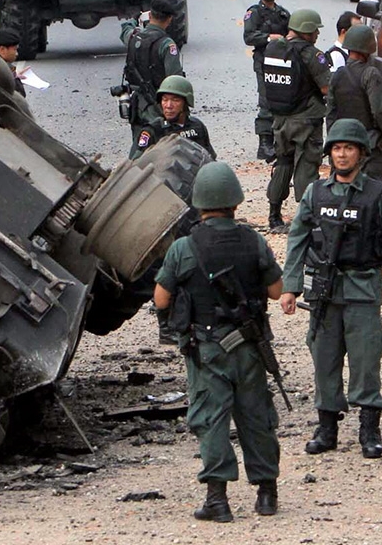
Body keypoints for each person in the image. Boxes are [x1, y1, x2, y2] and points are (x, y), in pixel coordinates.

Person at [153, 162, 285, 522]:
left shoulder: (184, 248)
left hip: (207, 349)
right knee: (256, 416)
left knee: (211, 418)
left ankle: (218, 499)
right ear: (236, 203)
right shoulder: (254, 241)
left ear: (199, 204)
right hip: (249, 345)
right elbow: (276, 291)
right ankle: (266, 494)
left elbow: (161, 299)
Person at [281, 119, 382, 460]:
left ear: (361, 154)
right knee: (323, 356)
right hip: (324, 291)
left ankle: (370, 426)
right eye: (337, 148)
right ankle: (327, 425)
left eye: (348, 148)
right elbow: (297, 239)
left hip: (363, 288)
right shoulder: (316, 192)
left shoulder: (378, 196)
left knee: (366, 358)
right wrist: (291, 286)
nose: (342, 154)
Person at [262, 9, 331, 233]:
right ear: (307, 30)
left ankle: (274, 215)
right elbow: (326, 88)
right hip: (306, 120)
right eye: (315, 31)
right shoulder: (312, 54)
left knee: (282, 164)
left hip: (280, 120)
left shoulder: (273, 49)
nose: (317, 35)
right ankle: (307, 216)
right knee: (307, 165)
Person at [326, 24, 382, 182]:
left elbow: (331, 113)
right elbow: (381, 112)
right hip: (368, 145)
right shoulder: (371, 74)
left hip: (342, 140)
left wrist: (334, 140)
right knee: (369, 194)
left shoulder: (338, 75)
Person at [120, 0, 185, 158]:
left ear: (150, 16)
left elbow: (125, 30)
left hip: (137, 104)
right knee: (163, 149)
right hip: (158, 105)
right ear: (169, 19)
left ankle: (131, 173)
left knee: (139, 143)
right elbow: (175, 81)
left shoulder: (134, 37)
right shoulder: (166, 45)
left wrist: (135, 20)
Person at [243, 0, 291, 163]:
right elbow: (249, 37)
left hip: (282, 62)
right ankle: (264, 143)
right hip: (263, 61)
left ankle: (279, 140)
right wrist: (270, 38)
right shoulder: (254, 12)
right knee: (266, 101)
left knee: (282, 100)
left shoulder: (283, 14)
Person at [134, 75, 216, 159]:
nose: (168, 105)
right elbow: (136, 166)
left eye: (175, 100)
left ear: (186, 103)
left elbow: (211, 160)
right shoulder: (152, 131)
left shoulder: (198, 126)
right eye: (165, 100)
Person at [0, 28, 26, 96]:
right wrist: (15, 79)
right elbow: (20, 95)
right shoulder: (3, 71)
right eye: (15, 49)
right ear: (2, 49)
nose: (16, 54)